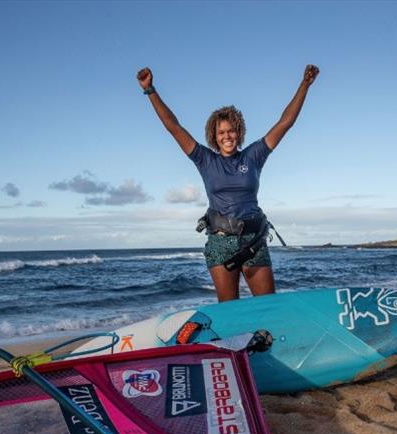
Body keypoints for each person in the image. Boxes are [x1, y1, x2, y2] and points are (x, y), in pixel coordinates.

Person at [137, 64, 319, 302]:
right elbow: (174, 127)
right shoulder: (205, 159)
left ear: (239, 132)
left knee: (269, 308)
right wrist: (150, 90)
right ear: (214, 135)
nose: (227, 136)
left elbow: (285, 123)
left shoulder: (254, 155)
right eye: (221, 132)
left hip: (253, 240)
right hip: (220, 242)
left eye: (231, 131)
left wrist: (304, 85)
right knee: (229, 311)